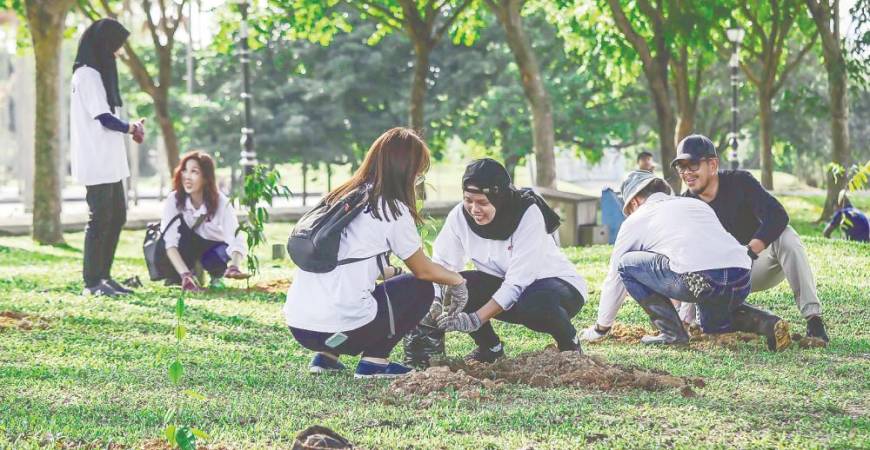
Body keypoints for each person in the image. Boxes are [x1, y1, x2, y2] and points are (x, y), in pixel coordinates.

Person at [283, 128, 467, 378]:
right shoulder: (391, 208)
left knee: (356, 292)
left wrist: (394, 273)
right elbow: (423, 271)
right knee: (420, 287)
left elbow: (346, 263)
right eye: (419, 171)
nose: (419, 178)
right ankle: (374, 362)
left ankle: (326, 358)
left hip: (302, 328)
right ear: (406, 170)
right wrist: (457, 280)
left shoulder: (342, 196)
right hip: (346, 330)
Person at [584, 171, 791, 351]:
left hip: (700, 280)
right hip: (740, 274)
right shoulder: (694, 204)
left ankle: (672, 333)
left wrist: (601, 328)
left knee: (626, 264)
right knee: (711, 324)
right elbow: (698, 252)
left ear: (635, 202)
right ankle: (767, 322)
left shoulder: (636, 220)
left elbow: (615, 277)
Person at [671, 134, 828, 343]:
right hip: (718, 279)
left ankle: (814, 320)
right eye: (681, 167)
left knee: (787, 237)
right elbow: (683, 255)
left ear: (712, 164)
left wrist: (751, 249)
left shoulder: (740, 182)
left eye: (692, 165)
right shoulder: (686, 204)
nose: (686, 173)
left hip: (757, 265)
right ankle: (705, 322)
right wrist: (677, 312)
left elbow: (778, 215)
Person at [432, 158, 588, 362]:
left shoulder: (527, 213)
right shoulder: (459, 217)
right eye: (468, 200)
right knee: (456, 286)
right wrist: (435, 302)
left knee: (535, 303)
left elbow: (517, 282)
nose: (474, 209)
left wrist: (474, 319)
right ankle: (491, 349)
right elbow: (441, 265)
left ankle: (570, 346)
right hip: (507, 292)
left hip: (556, 289)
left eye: (482, 202)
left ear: (500, 198)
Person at [71, 18, 146, 297]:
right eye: (114, 47)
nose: (116, 53)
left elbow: (107, 114)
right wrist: (130, 128)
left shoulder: (95, 74)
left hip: (109, 161)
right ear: (102, 45)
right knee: (101, 219)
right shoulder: (87, 74)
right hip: (96, 161)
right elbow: (102, 117)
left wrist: (129, 127)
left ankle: (104, 276)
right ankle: (92, 283)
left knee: (116, 217)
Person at [159, 151, 249, 292]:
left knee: (213, 258)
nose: (187, 177)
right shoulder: (174, 200)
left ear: (206, 178)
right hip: (186, 248)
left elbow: (235, 236)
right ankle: (188, 275)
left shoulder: (220, 202)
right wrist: (185, 275)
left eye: (194, 172)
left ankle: (216, 276)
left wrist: (234, 266)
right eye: (184, 171)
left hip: (214, 248)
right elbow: (170, 242)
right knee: (175, 268)